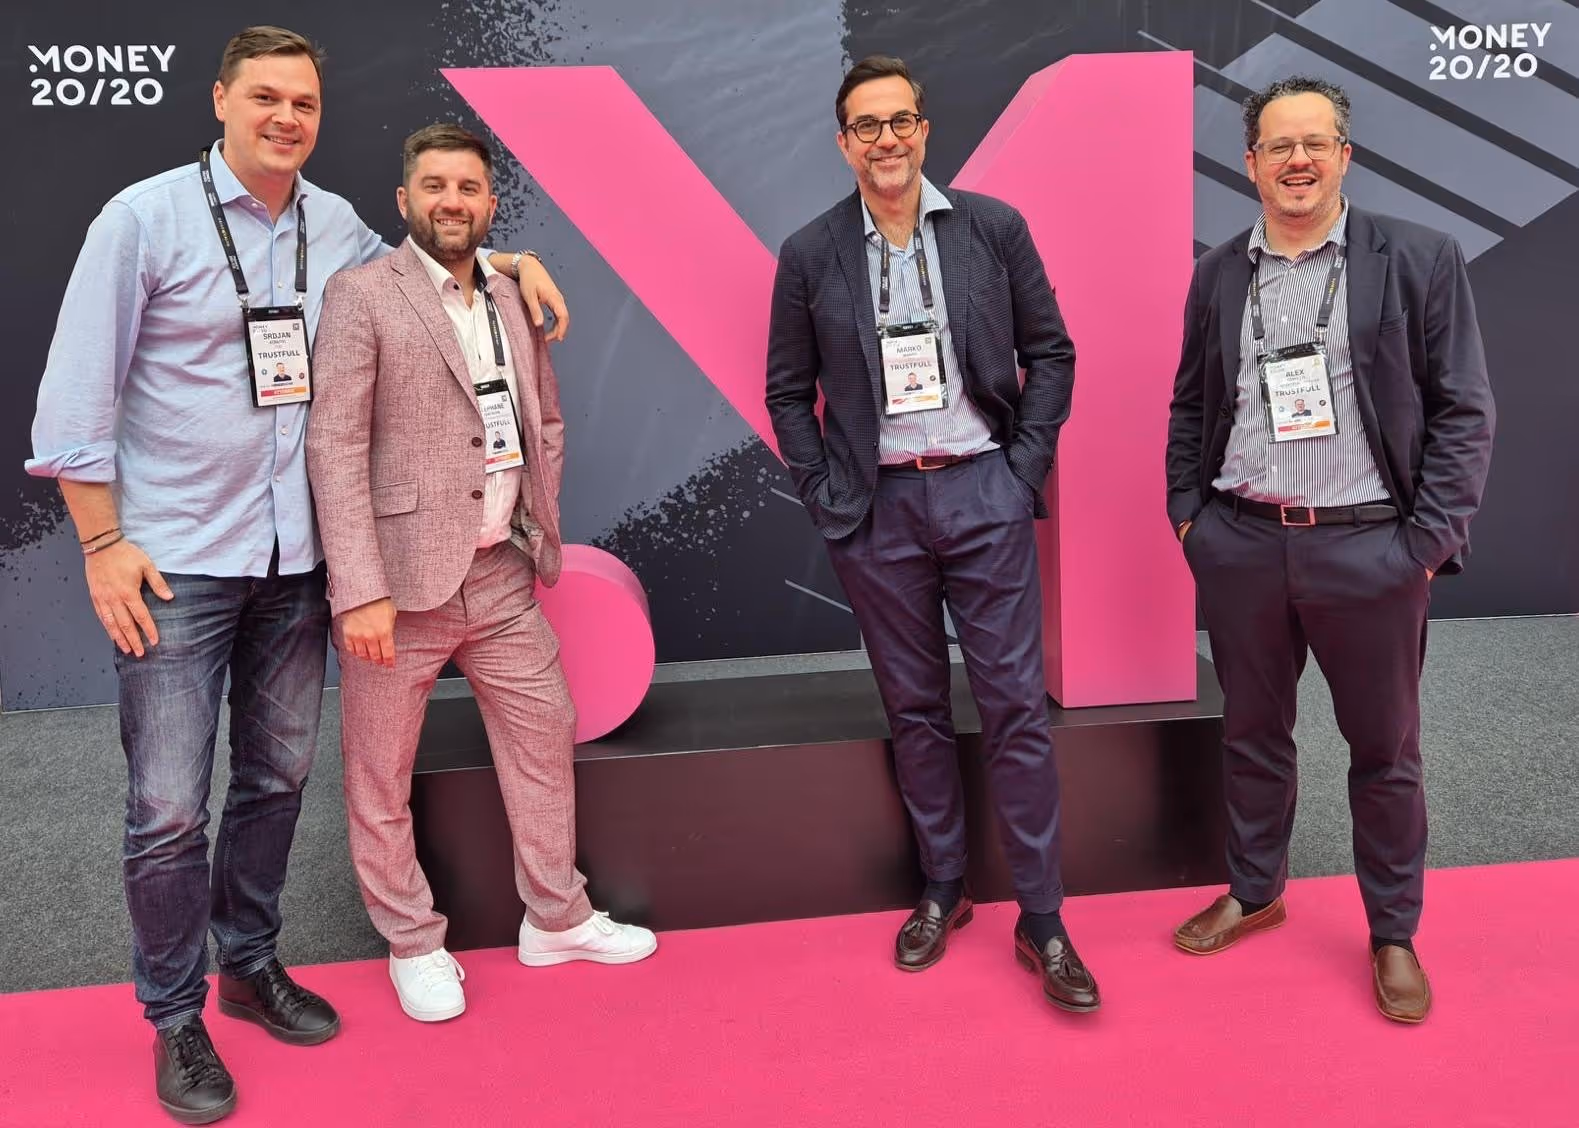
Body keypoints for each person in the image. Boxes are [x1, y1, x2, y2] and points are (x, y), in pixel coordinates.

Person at [25, 27, 570, 1125]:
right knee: (168, 808)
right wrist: (100, 543)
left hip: (296, 561)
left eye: (305, 103)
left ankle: (249, 962)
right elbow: (75, 397)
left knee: (275, 782)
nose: (285, 118)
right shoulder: (141, 220)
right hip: (177, 563)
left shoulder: (337, 227)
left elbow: (433, 267)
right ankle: (175, 1015)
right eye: (265, 97)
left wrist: (512, 263)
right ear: (220, 100)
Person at [765, 55, 1097, 1013]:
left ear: (923, 129)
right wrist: (828, 492)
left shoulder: (992, 228)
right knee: (913, 709)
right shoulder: (811, 252)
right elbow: (787, 392)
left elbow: (1051, 352)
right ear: (844, 144)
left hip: (983, 492)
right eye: (866, 126)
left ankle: (1042, 918)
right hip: (876, 511)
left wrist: (1019, 471)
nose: (886, 139)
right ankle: (943, 887)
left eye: (900, 120)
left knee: (1014, 709)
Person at [306, 124, 656, 1025]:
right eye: (434, 186)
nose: (451, 202)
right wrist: (359, 589)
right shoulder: (361, 295)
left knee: (546, 732)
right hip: (398, 590)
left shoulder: (508, 292)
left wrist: (536, 515)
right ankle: (412, 942)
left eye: (467, 188)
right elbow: (333, 448)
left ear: (491, 203)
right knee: (379, 773)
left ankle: (555, 917)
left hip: (500, 572)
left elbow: (542, 418)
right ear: (404, 199)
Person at [1165, 76, 1495, 1024]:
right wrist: (1191, 520)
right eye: (1279, 145)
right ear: (1251, 165)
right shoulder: (1219, 271)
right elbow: (1191, 402)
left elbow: (1464, 410)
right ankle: (1254, 890)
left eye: (1315, 142)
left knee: (1383, 751)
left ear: (1344, 156)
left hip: (1369, 549)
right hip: (1241, 543)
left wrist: (1423, 544)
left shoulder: (1418, 257)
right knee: (1251, 734)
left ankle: (1392, 932)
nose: (1297, 159)